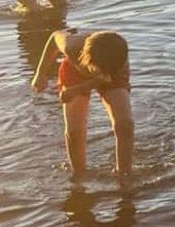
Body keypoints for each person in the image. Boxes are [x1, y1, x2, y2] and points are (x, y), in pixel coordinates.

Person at [30, 29, 134, 178]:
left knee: (125, 124)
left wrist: (76, 90)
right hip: (76, 70)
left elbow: (107, 78)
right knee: (75, 130)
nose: (103, 74)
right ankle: (79, 174)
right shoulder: (72, 46)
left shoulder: (118, 58)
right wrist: (40, 73)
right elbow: (54, 38)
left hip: (111, 72)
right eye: (99, 70)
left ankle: (124, 174)